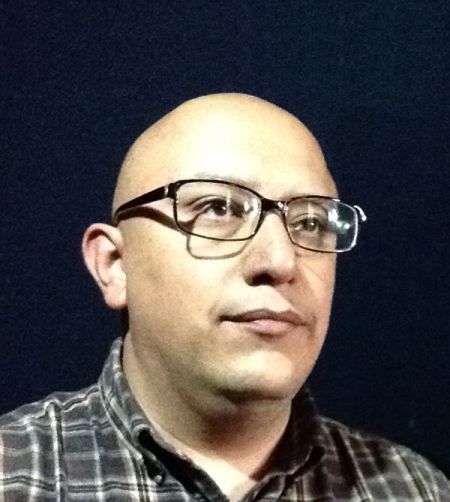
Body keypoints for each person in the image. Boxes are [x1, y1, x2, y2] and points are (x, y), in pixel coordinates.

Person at [0, 93, 448, 501]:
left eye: (310, 222)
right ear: (115, 265)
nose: (280, 261)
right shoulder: (16, 477)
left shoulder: (413, 489)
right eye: (218, 208)